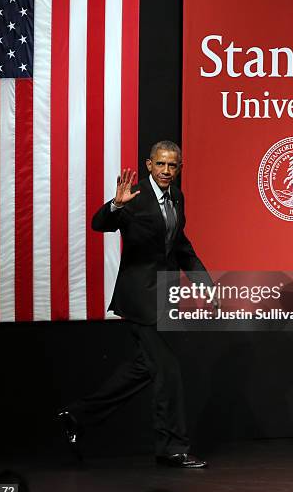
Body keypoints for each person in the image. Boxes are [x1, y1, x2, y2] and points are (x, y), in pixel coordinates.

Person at [57, 141, 213, 468]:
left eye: (173, 166)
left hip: (163, 296)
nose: (167, 171)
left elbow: (180, 246)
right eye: (161, 165)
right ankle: (172, 448)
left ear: (179, 167)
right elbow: (100, 224)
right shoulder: (135, 196)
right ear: (149, 165)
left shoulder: (178, 198)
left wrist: (205, 285)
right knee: (168, 371)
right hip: (140, 298)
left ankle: (76, 416)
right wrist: (115, 205)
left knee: (145, 368)